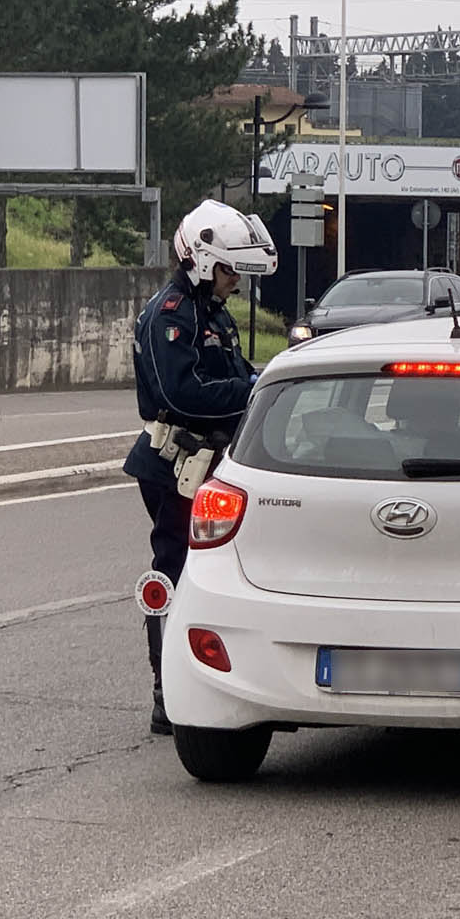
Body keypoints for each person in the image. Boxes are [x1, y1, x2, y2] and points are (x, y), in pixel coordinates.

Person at [123, 199, 275, 734]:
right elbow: (181, 393)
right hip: (175, 463)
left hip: (212, 459)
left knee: (217, 570)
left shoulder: (210, 312)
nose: (237, 280)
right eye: (231, 269)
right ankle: (167, 691)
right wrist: (252, 391)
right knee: (176, 568)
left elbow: (233, 373)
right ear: (205, 262)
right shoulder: (172, 316)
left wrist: (263, 382)